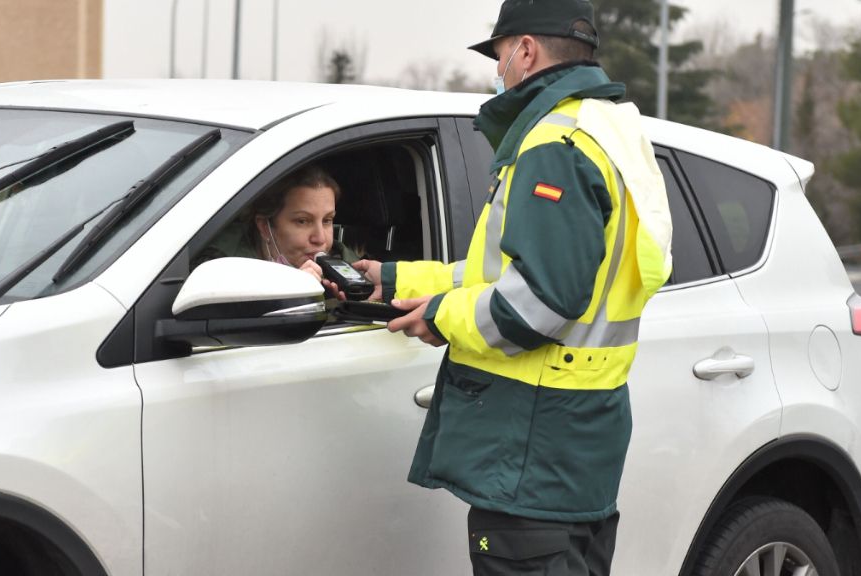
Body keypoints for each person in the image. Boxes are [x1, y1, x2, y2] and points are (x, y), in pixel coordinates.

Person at [353, 1, 673, 573]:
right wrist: (393, 278)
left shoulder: (555, 144)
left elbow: (539, 303)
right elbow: (505, 274)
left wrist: (441, 316)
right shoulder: (611, 129)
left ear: (525, 51)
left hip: (532, 450)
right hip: (576, 448)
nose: (497, 72)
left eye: (498, 56)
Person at [195, 164, 359, 296]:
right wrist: (288, 294)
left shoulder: (350, 268)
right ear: (265, 227)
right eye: (302, 221)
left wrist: (363, 297)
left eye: (327, 220)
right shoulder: (221, 272)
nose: (320, 238)